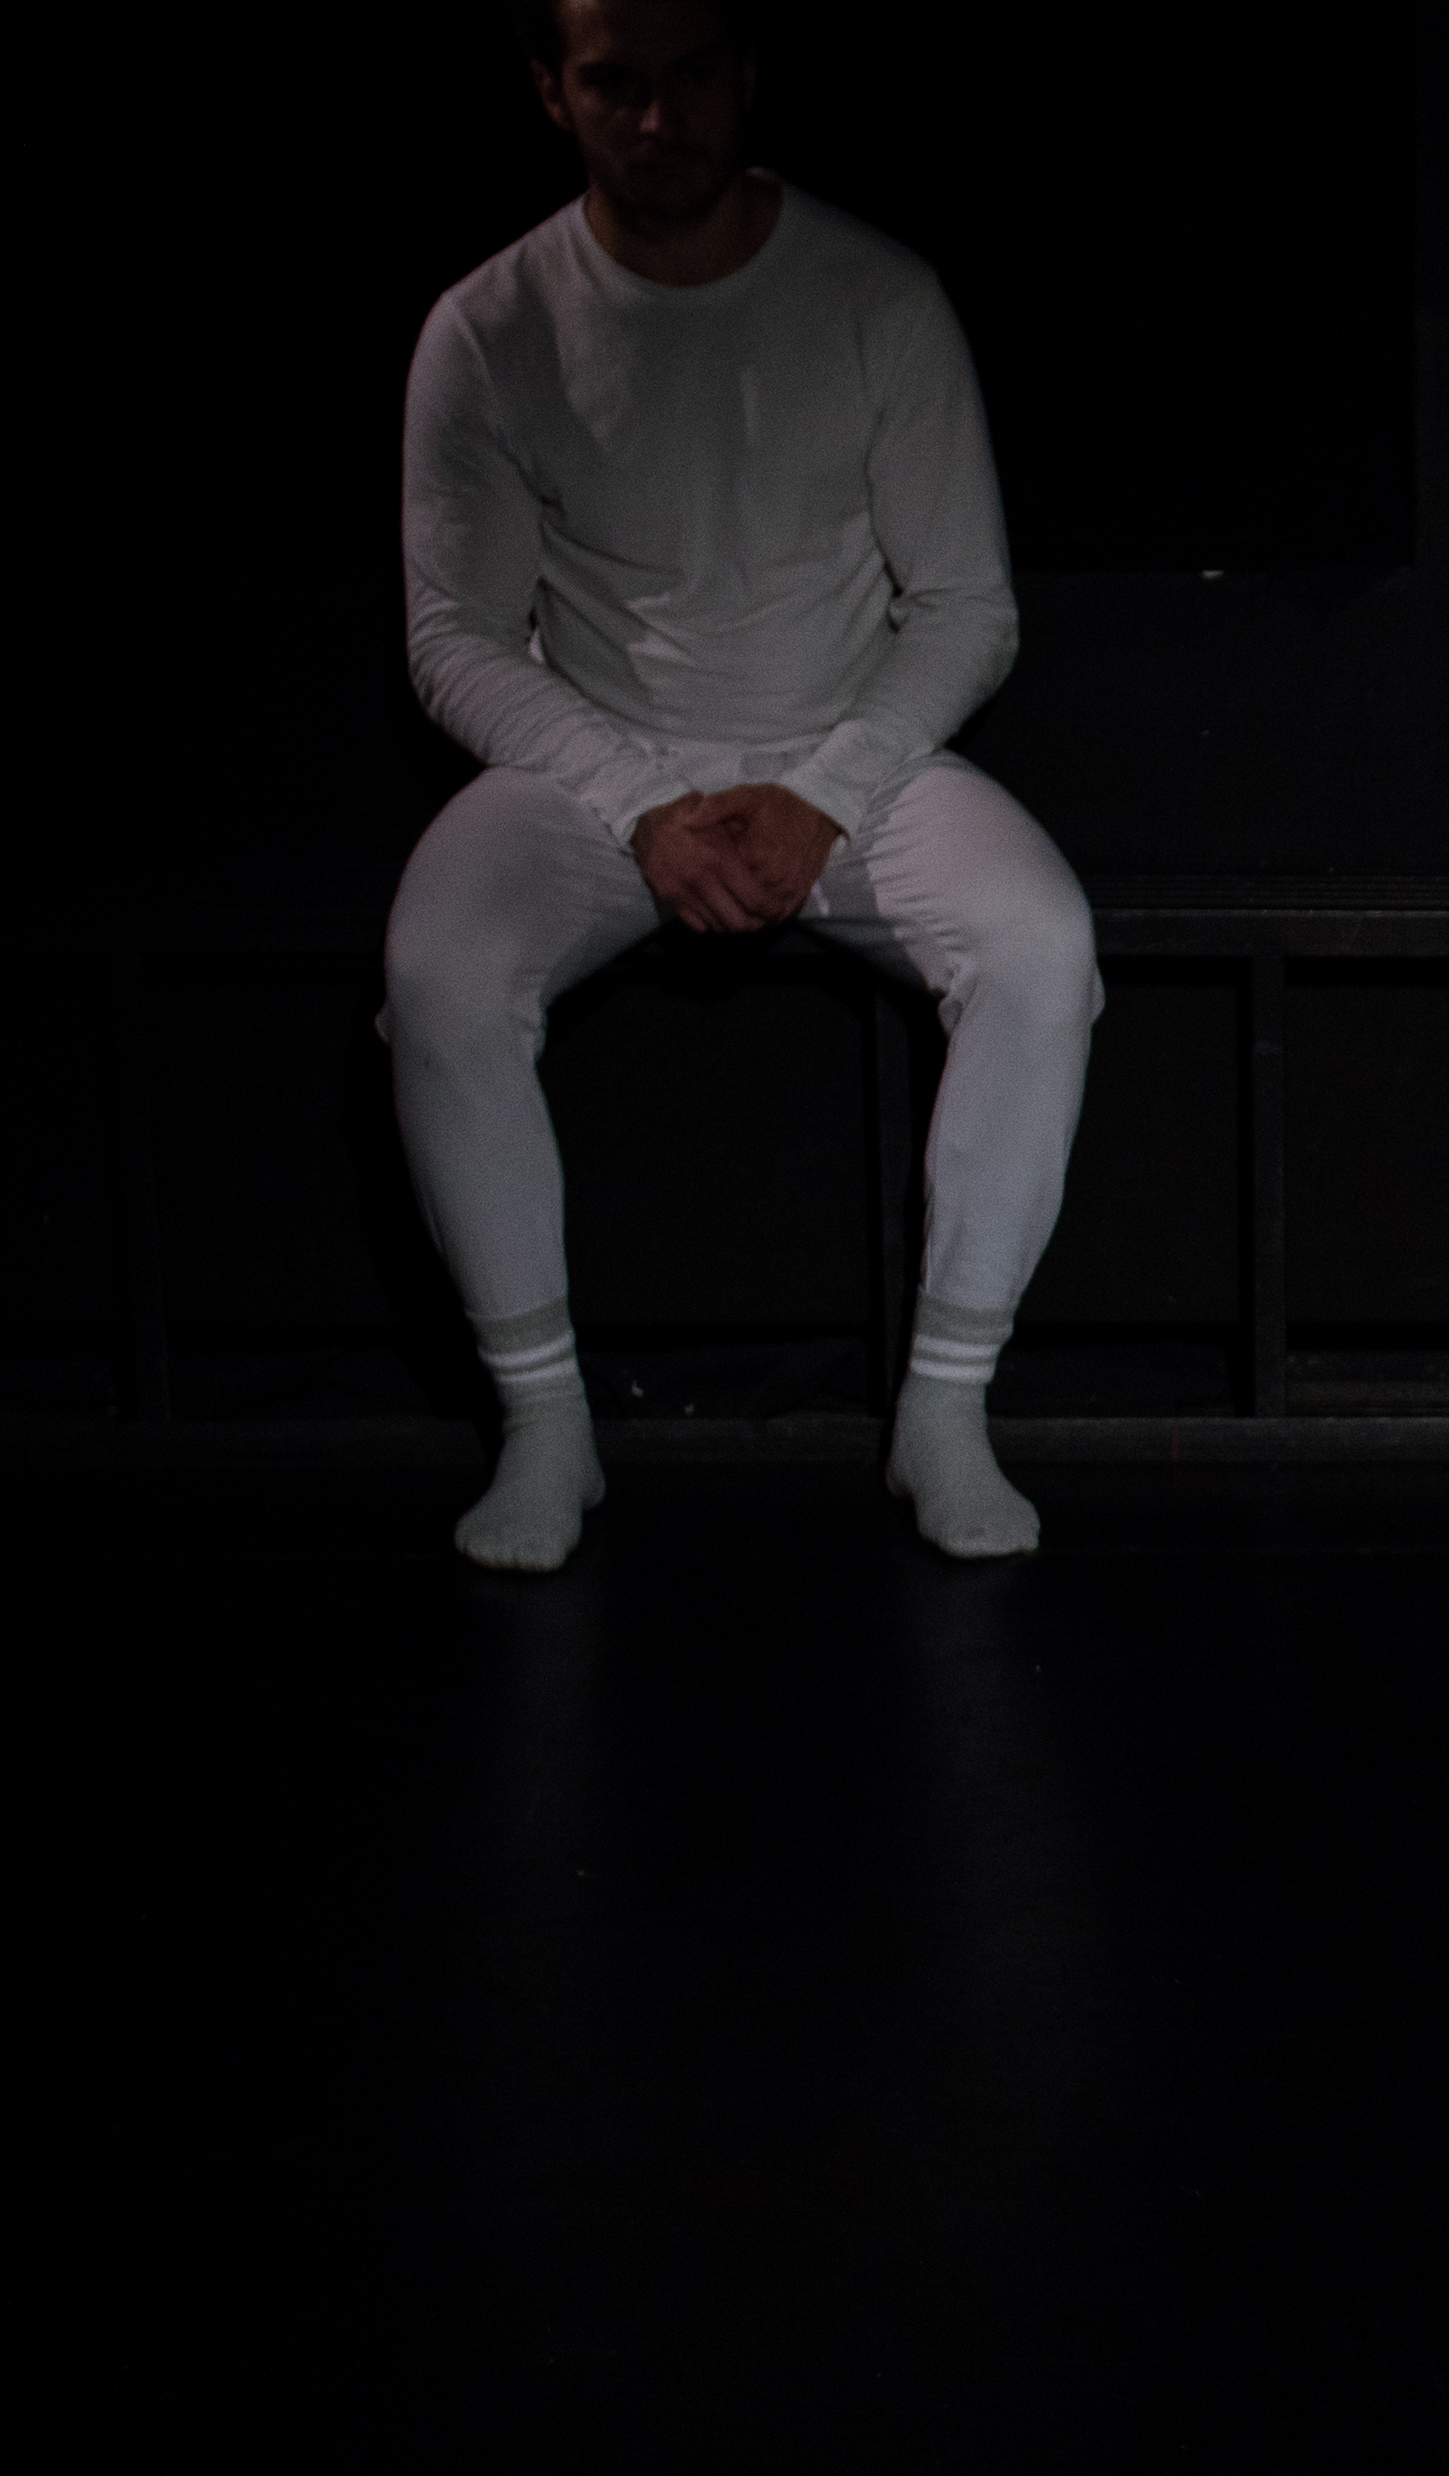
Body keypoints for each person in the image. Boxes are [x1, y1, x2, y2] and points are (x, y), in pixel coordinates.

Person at [384, 0, 1101, 1571]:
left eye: (695, 74)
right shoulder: (490, 325)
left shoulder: (874, 294)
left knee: (1040, 948)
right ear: (552, 92)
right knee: (440, 972)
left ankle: (946, 1410)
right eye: (615, 82)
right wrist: (638, 800)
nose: (660, 120)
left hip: (846, 765)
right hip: (596, 772)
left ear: (748, 74)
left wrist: (825, 792)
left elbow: (965, 605)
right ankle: (544, 1424)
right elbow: (454, 637)